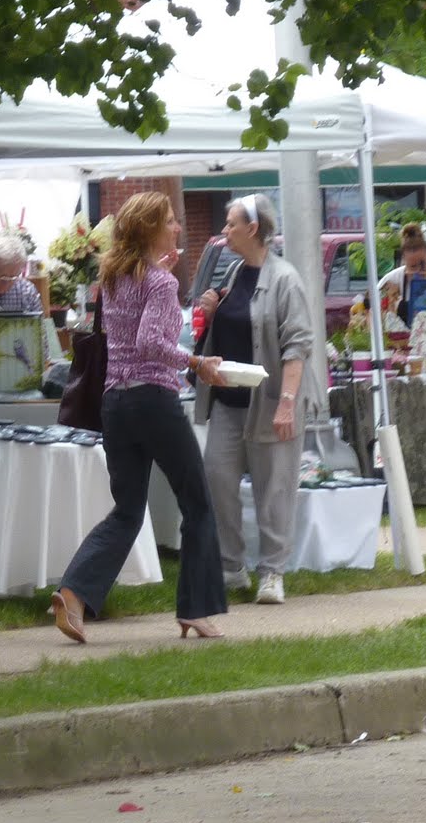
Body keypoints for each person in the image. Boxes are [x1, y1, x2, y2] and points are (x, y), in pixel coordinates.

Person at [49, 192, 227, 643]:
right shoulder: (161, 283)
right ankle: (195, 609)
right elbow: (150, 343)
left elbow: (127, 335)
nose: (177, 228)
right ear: (150, 228)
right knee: (198, 504)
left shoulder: (115, 277)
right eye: (169, 221)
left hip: (116, 404)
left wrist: (162, 280)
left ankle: (73, 594)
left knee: (128, 511)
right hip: (153, 400)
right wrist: (197, 363)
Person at [195, 194, 313, 605]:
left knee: (274, 489)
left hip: (270, 403)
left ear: (253, 228)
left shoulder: (285, 279)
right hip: (229, 402)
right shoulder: (232, 272)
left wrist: (287, 401)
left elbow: (298, 345)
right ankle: (232, 567)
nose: (224, 231)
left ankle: (272, 573)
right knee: (218, 480)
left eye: (230, 224)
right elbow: (233, 329)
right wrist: (212, 311)